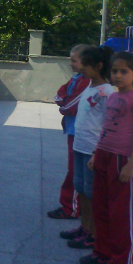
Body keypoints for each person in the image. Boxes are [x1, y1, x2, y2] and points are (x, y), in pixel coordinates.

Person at [81, 52, 133, 264]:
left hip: (123, 160)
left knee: (121, 215)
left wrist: (131, 165)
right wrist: (95, 153)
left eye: (124, 71)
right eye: (114, 71)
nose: (118, 75)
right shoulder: (113, 97)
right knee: (102, 209)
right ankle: (103, 253)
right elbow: (106, 126)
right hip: (104, 156)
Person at [60, 46, 114, 251]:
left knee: (92, 193)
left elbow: (108, 124)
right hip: (79, 147)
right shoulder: (89, 88)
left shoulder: (107, 92)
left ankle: (93, 233)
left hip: (93, 151)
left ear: (98, 66)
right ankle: (84, 227)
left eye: (85, 65)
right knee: (81, 188)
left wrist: (97, 151)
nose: (80, 67)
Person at [47, 45, 89, 220]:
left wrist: (63, 105)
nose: (70, 63)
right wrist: (63, 101)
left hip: (81, 133)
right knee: (76, 171)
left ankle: (70, 207)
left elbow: (70, 106)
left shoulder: (87, 82)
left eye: (74, 60)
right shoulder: (76, 79)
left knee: (75, 172)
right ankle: (75, 207)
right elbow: (60, 93)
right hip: (73, 131)